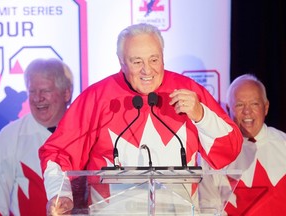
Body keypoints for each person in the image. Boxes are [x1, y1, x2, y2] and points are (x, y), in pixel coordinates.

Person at [39, 23, 243, 215]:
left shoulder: (188, 91)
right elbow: (58, 153)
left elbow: (229, 149)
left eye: (154, 60)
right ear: (121, 62)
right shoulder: (97, 97)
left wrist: (201, 115)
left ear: (163, 57)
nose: (147, 70)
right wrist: (61, 194)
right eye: (137, 62)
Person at [0, 58, 74, 216]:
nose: (37, 98)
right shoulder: (10, 136)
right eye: (32, 91)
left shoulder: (85, 132)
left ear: (66, 93)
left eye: (45, 91)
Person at [224, 74, 286, 215]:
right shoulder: (216, 153)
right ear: (228, 109)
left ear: (266, 107)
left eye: (254, 104)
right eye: (239, 105)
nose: (247, 111)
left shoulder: (284, 145)